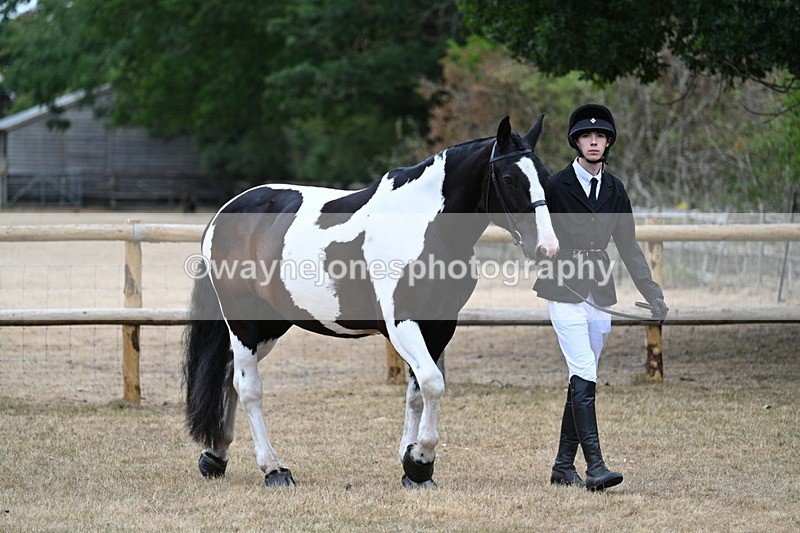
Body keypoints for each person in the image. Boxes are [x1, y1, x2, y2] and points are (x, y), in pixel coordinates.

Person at [532, 103, 669, 491]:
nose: (594, 142)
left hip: (600, 292)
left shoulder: (615, 189)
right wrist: (544, 248)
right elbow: (532, 236)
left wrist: (653, 294)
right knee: (583, 369)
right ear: (576, 142)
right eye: (587, 136)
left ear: (608, 142)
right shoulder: (556, 186)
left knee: (582, 375)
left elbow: (629, 247)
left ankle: (562, 467)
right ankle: (595, 466)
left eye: (600, 136)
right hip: (563, 287)